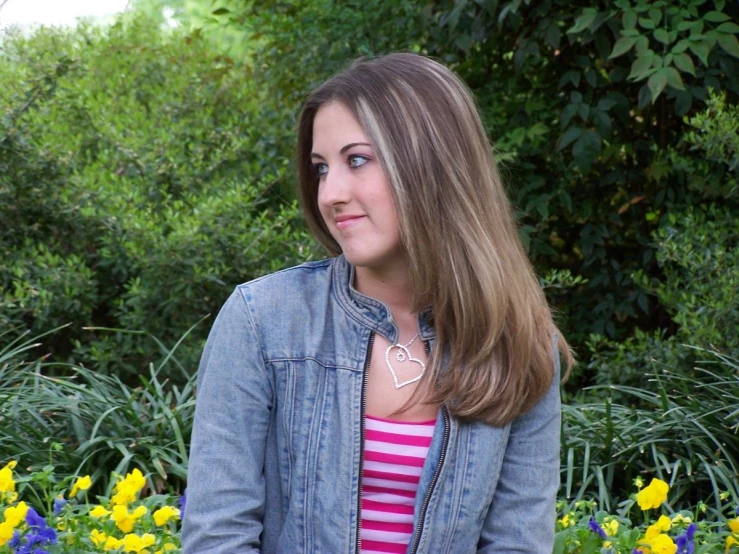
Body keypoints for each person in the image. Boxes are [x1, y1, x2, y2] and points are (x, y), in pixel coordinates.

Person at [182, 52, 574, 554]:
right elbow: (218, 536)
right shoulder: (264, 321)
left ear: (433, 164)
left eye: (358, 160)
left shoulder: (518, 342)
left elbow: (516, 542)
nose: (330, 193)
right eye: (321, 169)